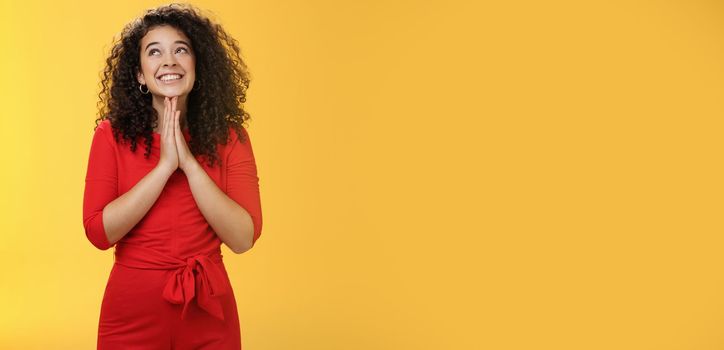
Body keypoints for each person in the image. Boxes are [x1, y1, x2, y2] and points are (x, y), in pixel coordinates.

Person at [82, 3, 262, 349]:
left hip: (209, 312)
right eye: (154, 52)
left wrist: (189, 164)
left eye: (181, 49)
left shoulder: (232, 138)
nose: (169, 61)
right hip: (131, 314)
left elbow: (242, 238)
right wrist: (165, 166)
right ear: (139, 74)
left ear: (198, 66)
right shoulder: (109, 136)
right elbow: (98, 232)